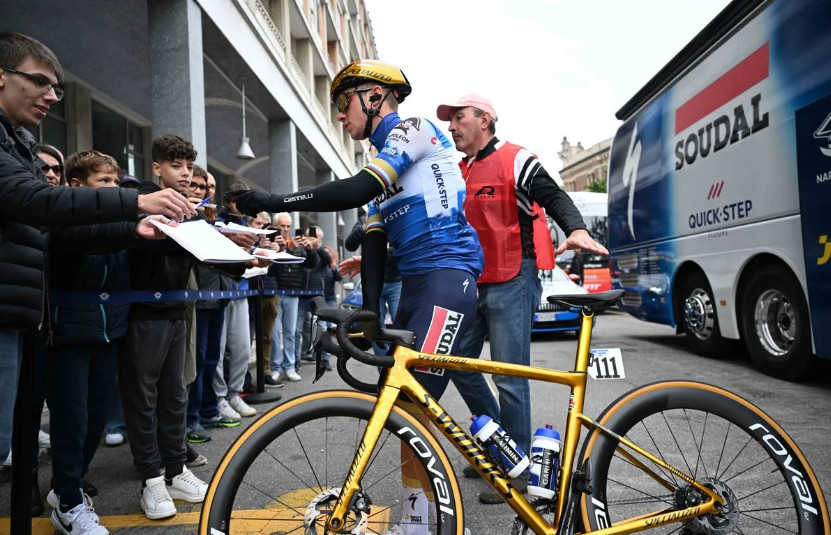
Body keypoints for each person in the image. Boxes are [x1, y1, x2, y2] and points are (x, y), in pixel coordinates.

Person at [230, 59, 483, 535]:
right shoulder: (382, 163)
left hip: (449, 276)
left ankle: (426, 520)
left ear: (372, 96)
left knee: (414, 408)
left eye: (343, 103)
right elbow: (373, 241)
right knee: (410, 408)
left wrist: (276, 201)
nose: (341, 116)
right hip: (417, 285)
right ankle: (433, 510)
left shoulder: (414, 130)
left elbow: (355, 190)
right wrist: (368, 312)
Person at [0, 32, 194, 530]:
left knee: (74, 424)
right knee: (52, 425)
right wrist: (136, 204)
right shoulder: (31, 177)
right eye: (39, 81)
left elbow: (90, 235)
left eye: (56, 87)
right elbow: (45, 210)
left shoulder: (15, 143)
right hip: (58, 327)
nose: (51, 95)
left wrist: (133, 228)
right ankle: (66, 495)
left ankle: (67, 493)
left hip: (71, 322)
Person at [435, 93, 608, 503]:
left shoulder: (516, 158)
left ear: (485, 119)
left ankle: (514, 476)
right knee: (454, 360)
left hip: (515, 276)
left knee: (511, 377)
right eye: (450, 121)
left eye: (459, 118)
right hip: (473, 280)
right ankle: (504, 447)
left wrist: (575, 228)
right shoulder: (458, 169)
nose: (451, 126)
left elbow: (552, 194)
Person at [45, 150, 155, 535]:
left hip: (110, 334)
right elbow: (88, 239)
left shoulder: (122, 224)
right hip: (69, 336)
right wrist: (130, 227)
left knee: (94, 420)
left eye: (115, 181)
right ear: (76, 187)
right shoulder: (64, 222)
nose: (113, 188)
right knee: (70, 421)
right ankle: (68, 500)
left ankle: (67, 487)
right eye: (103, 182)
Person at [119, 135, 223, 521]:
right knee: (143, 399)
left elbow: (202, 256)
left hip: (177, 309)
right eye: (176, 165)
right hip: (144, 312)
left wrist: (239, 251)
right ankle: (151, 479)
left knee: (175, 395)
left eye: (189, 167)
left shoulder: (192, 211)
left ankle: (176, 470)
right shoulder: (141, 199)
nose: (185, 174)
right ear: (157, 167)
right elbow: (156, 246)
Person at [269, 212, 316, 383]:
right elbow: (273, 268)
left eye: (288, 226)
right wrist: (287, 249)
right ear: (275, 226)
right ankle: (275, 368)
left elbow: (311, 264)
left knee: (290, 333)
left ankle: (289, 367)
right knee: (275, 334)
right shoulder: (271, 241)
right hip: (274, 293)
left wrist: (309, 249)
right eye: (282, 226)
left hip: (293, 293)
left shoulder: (297, 244)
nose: (285, 229)